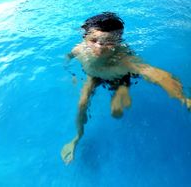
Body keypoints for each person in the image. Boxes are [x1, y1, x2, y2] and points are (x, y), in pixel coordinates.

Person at [61, 12, 191, 164]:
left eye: (109, 42)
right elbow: (68, 58)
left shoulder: (124, 61)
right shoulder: (79, 49)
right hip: (93, 75)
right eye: (94, 40)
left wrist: (185, 99)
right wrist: (71, 75)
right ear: (84, 37)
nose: (100, 48)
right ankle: (77, 138)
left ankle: (120, 94)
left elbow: (157, 74)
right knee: (81, 104)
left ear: (118, 41)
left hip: (118, 76)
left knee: (119, 103)